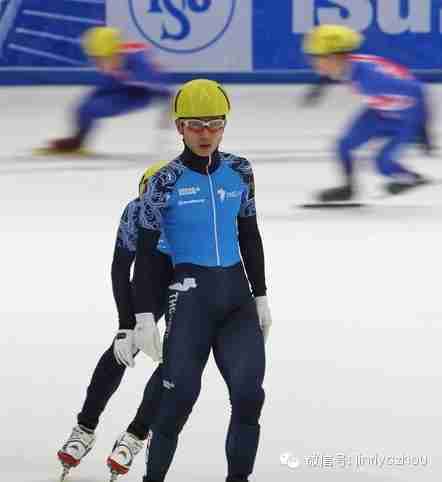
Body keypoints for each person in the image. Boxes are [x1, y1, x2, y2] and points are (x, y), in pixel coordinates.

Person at [132, 79, 272, 482]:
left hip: (237, 302)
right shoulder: (164, 181)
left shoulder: (240, 171)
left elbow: (249, 234)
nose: (206, 133)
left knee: (249, 396)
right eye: (195, 125)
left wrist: (261, 295)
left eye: (215, 124)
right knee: (178, 399)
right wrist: (143, 315)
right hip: (190, 302)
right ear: (179, 127)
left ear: (225, 125)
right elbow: (145, 254)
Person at [57, 162, 173, 482]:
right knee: (122, 348)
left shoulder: (192, 215)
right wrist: (125, 325)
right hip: (151, 279)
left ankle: (136, 435)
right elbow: (121, 267)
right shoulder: (134, 211)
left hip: (188, 280)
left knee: (177, 361)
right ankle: (85, 428)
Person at [303, 24, 432, 202]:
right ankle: (348, 189)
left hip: (405, 120)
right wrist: (319, 87)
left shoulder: (373, 79)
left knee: (382, 163)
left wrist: (424, 130)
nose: (313, 63)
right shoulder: (346, 65)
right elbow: (332, 73)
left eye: (317, 58)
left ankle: (413, 178)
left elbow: (417, 90)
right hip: (380, 110)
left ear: (335, 57)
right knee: (344, 146)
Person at [43, 27, 172, 155]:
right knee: (83, 108)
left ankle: (77, 142)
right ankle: (77, 140)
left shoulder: (141, 69)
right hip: (120, 80)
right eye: (94, 59)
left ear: (116, 53)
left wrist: (169, 115)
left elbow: (169, 94)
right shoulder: (113, 59)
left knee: (91, 108)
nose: (98, 64)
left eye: (101, 59)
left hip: (141, 93)